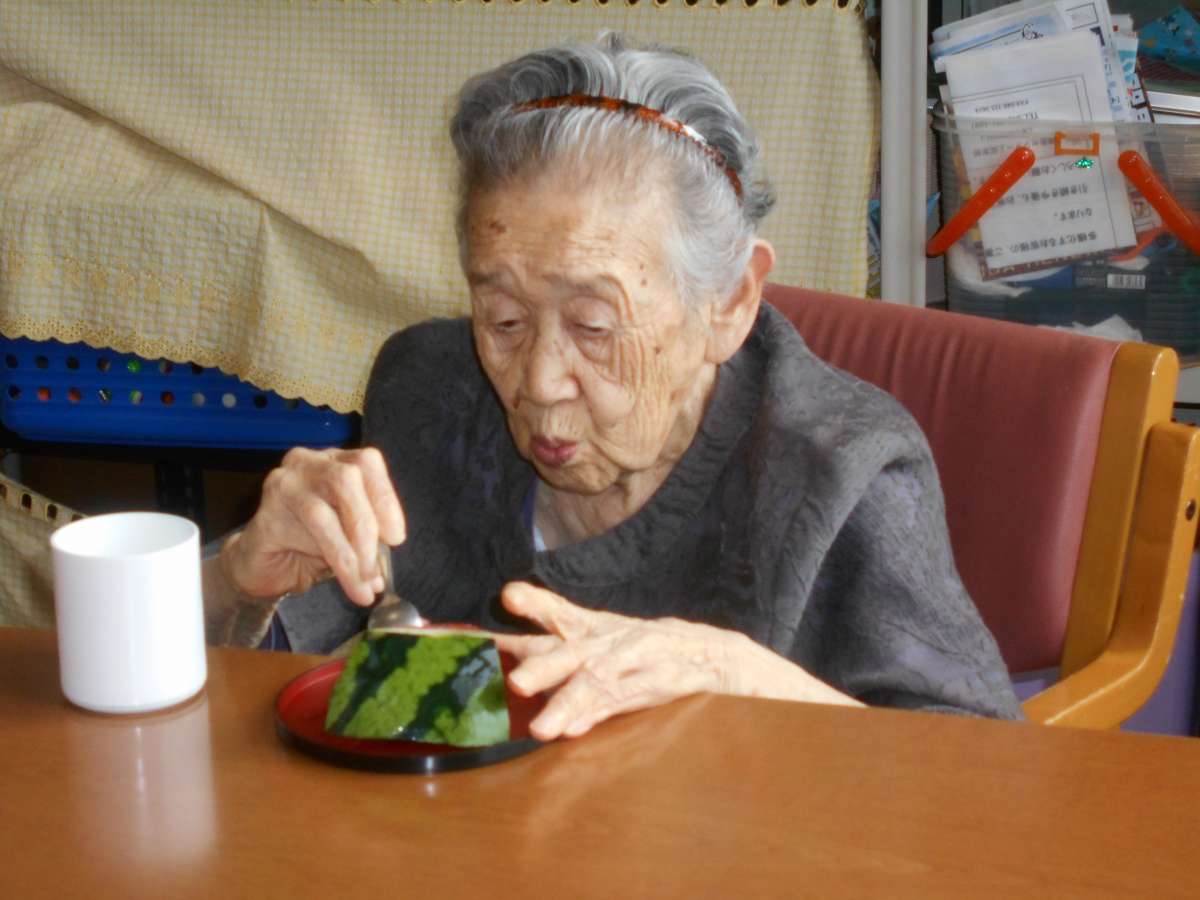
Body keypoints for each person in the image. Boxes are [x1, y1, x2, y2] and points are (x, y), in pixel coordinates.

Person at [203, 34, 1023, 739]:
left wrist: (738, 676)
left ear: (730, 303)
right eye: (503, 318)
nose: (539, 382)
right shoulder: (432, 394)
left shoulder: (839, 471)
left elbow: (989, 785)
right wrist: (237, 578)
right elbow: (257, 677)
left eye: (594, 325)